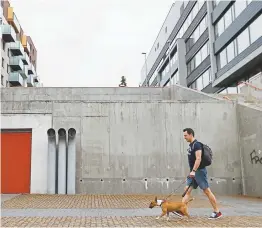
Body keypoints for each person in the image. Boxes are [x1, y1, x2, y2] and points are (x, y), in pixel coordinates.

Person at [174, 128, 222, 219]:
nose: (184, 137)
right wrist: (192, 171)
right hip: (193, 172)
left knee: (207, 191)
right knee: (187, 190)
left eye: (185, 135)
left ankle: (217, 211)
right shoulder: (191, 146)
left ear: (191, 134)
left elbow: (198, 158)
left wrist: (194, 171)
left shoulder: (197, 145)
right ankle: (182, 210)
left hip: (199, 171)